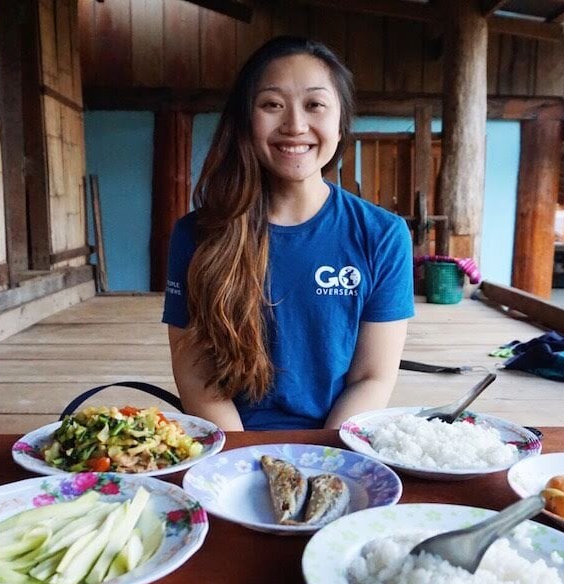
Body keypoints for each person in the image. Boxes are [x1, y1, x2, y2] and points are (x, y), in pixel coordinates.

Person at [162, 36, 414, 431]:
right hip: (228, 442)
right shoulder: (197, 235)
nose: (295, 125)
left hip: (337, 441)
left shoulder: (382, 235)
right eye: (272, 105)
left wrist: (324, 459)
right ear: (247, 118)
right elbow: (195, 371)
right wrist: (240, 457)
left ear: (341, 119)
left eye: (315, 105)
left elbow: (372, 377)